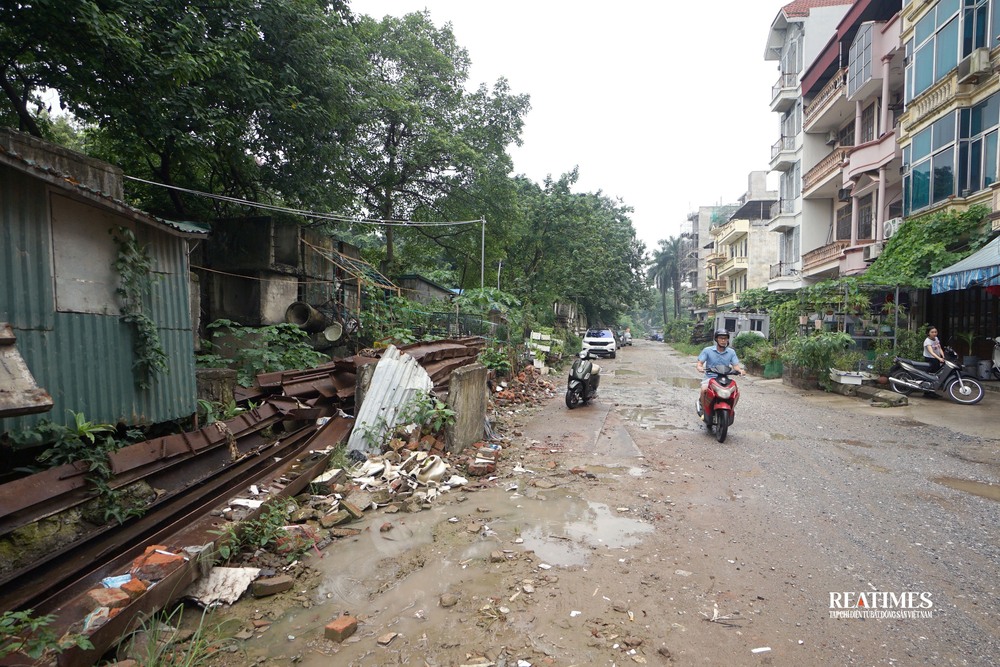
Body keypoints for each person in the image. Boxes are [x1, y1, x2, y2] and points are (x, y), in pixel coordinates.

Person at [696, 329, 742, 418]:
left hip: (724, 378)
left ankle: (731, 410)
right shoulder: (707, 350)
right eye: (721, 338)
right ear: (716, 339)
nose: (723, 340)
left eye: (725, 338)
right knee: (703, 389)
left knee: (737, 391)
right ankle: (704, 410)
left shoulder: (731, 352)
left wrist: (740, 371)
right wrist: (700, 368)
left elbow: (735, 365)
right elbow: (699, 363)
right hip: (710, 377)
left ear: (728, 340)